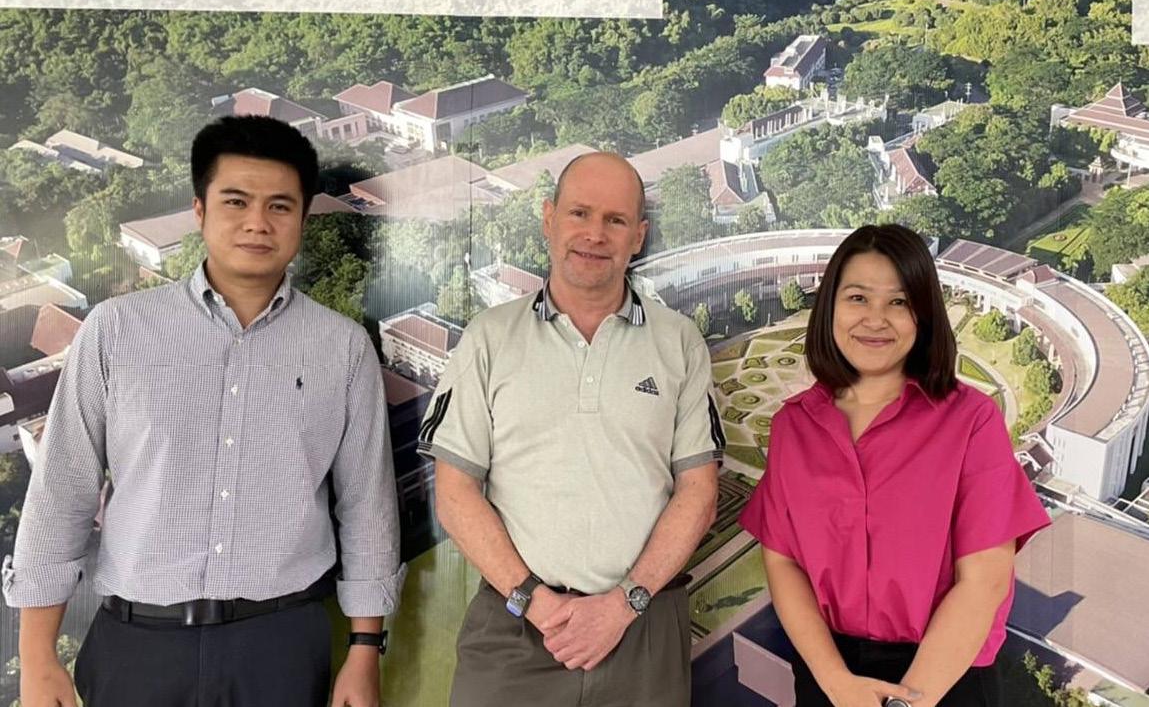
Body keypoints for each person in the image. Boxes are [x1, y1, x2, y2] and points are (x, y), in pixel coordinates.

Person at [3, 115, 405, 707]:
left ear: (302, 218)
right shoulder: (118, 331)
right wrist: (38, 658)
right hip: (137, 646)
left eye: (280, 206)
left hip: (282, 646)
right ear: (200, 209)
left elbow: (368, 506)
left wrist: (365, 650)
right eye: (235, 201)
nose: (257, 223)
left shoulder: (342, 348)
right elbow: (61, 494)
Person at [420, 152, 724, 707]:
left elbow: (699, 494)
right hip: (516, 624)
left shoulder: (679, 342)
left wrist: (623, 604)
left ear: (639, 236)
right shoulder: (489, 338)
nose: (594, 234)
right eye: (579, 213)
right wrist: (536, 602)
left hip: (642, 627)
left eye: (616, 220)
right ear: (549, 218)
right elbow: (456, 493)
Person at [739, 224, 1050, 707]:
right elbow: (783, 561)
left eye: (899, 301)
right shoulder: (793, 426)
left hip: (945, 677)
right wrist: (834, 681)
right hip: (830, 676)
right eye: (857, 298)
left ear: (923, 313)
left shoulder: (971, 421)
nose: (875, 319)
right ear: (830, 307)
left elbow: (983, 583)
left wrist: (905, 703)